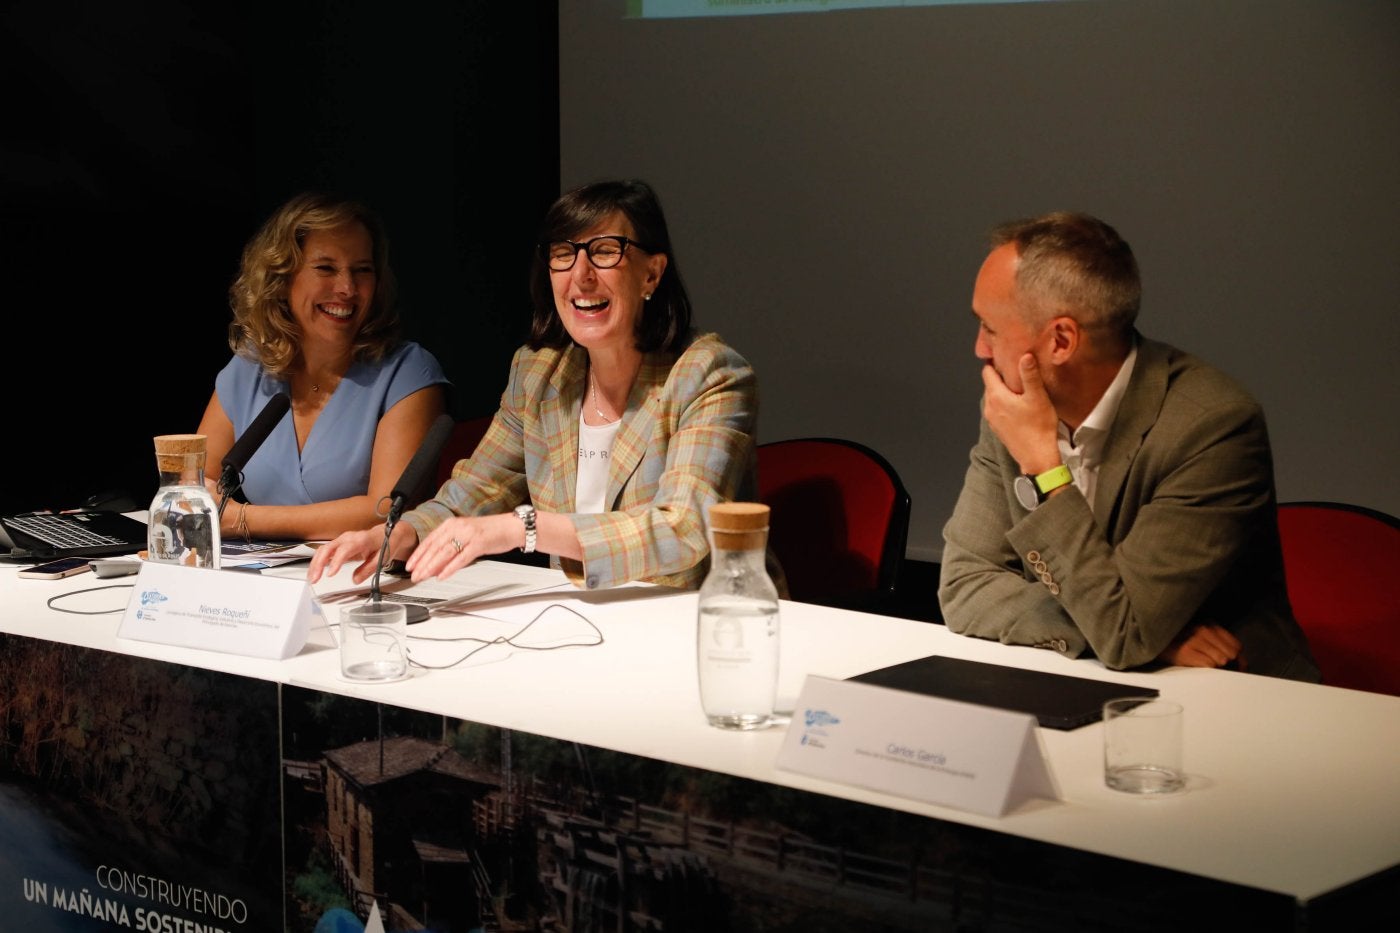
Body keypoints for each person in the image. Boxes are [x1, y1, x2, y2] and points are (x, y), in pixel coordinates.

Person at [310, 179, 768, 591]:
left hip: (691, 623)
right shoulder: (539, 374)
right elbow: (477, 490)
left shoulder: (709, 374)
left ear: (651, 273)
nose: (581, 275)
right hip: (578, 622)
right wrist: (403, 534)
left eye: (605, 251)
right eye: (563, 254)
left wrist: (524, 528)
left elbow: (683, 529)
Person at [938, 211, 1318, 680]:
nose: (980, 348)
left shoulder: (1213, 426)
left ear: (1060, 340)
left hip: (1230, 694)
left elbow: (1126, 633)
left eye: (990, 328)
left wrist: (1043, 464)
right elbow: (964, 586)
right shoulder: (1012, 403)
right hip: (1085, 677)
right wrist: (1138, 638)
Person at [198, 192, 449, 542]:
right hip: (265, 578)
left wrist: (244, 518)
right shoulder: (250, 368)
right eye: (326, 268)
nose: (347, 288)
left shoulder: (408, 373)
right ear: (282, 279)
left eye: (362, 270)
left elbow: (386, 511)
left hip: (363, 578)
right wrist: (210, 504)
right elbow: (195, 486)